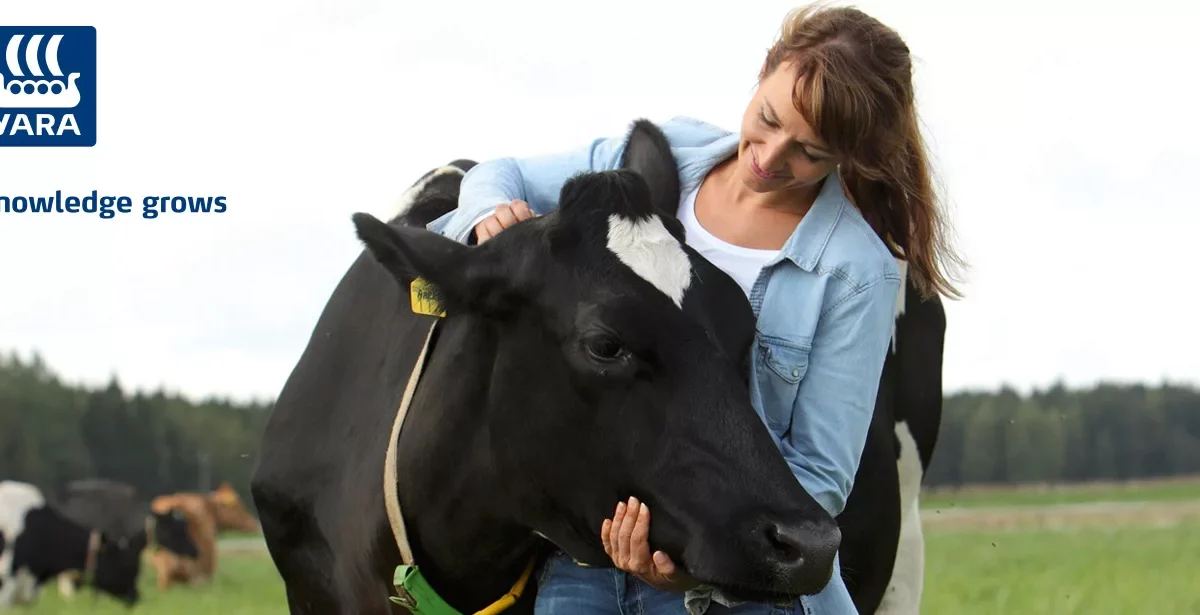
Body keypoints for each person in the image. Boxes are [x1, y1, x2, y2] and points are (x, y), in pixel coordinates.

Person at [425, 4, 964, 614]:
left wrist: (691, 562)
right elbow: (506, 171)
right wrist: (485, 217)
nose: (770, 157)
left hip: (733, 576)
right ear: (765, 70)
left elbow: (820, 475)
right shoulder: (665, 158)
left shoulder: (854, 271)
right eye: (768, 119)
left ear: (848, 156)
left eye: (810, 152)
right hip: (588, 557)